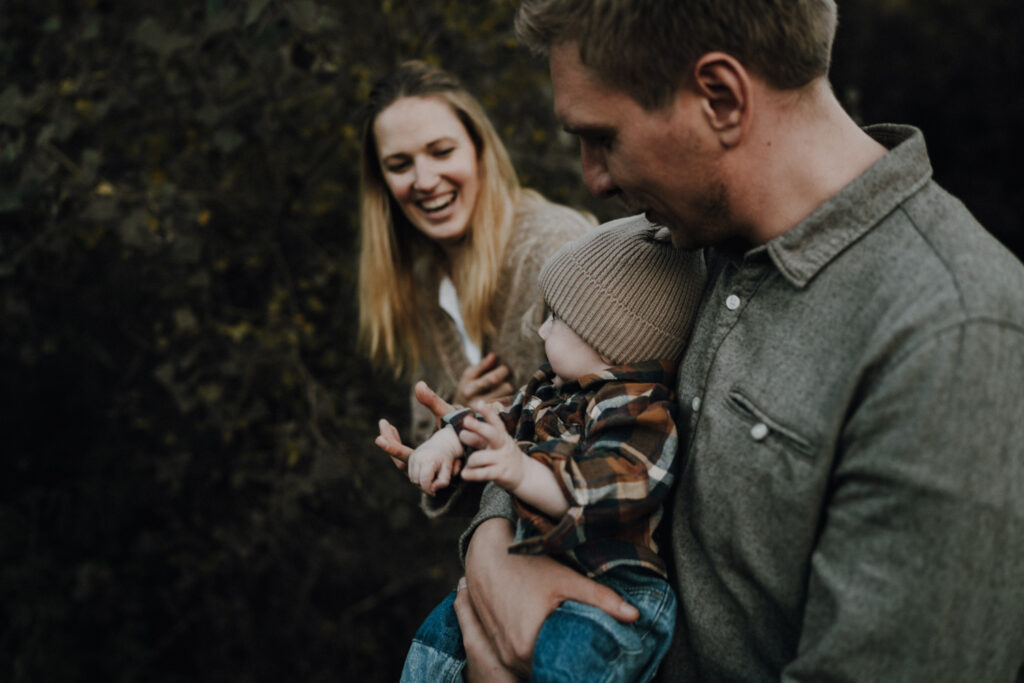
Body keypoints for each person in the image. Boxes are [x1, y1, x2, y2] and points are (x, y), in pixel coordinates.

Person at [436, 1, 1024, 681]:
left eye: (603, 137)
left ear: (720, 96)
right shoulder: (679, 238)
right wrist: (490, 547)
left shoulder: (955, 338)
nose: (593, 175)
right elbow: (558, 409)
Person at [379, 219, 706, 682]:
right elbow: (499, 421)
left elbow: (616, 491)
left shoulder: (641, 413)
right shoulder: (554, 389)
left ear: (608, 338)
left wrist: (521, 471)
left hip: (617, 589)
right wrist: (443, 443)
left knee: (566, 664)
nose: (540, 330)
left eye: (556, 317)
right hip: (539, 566)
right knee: (436, 643)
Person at [358, 60, 593, 449]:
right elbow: (424, 446)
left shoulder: (555, 250)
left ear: (479, 149)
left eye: (442, 151)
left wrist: (474, 426)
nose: (425, 181)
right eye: (399, 165)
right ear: (381, 183)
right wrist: (455, 419)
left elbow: (613, 421)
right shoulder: (421, 281)